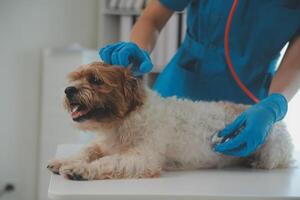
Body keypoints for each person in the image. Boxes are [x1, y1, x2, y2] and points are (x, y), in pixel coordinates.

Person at [99, 0, 300, 157]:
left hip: (247, 109)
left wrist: (274, 104)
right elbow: (152, 18)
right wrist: (137, 48)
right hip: (180, 89)